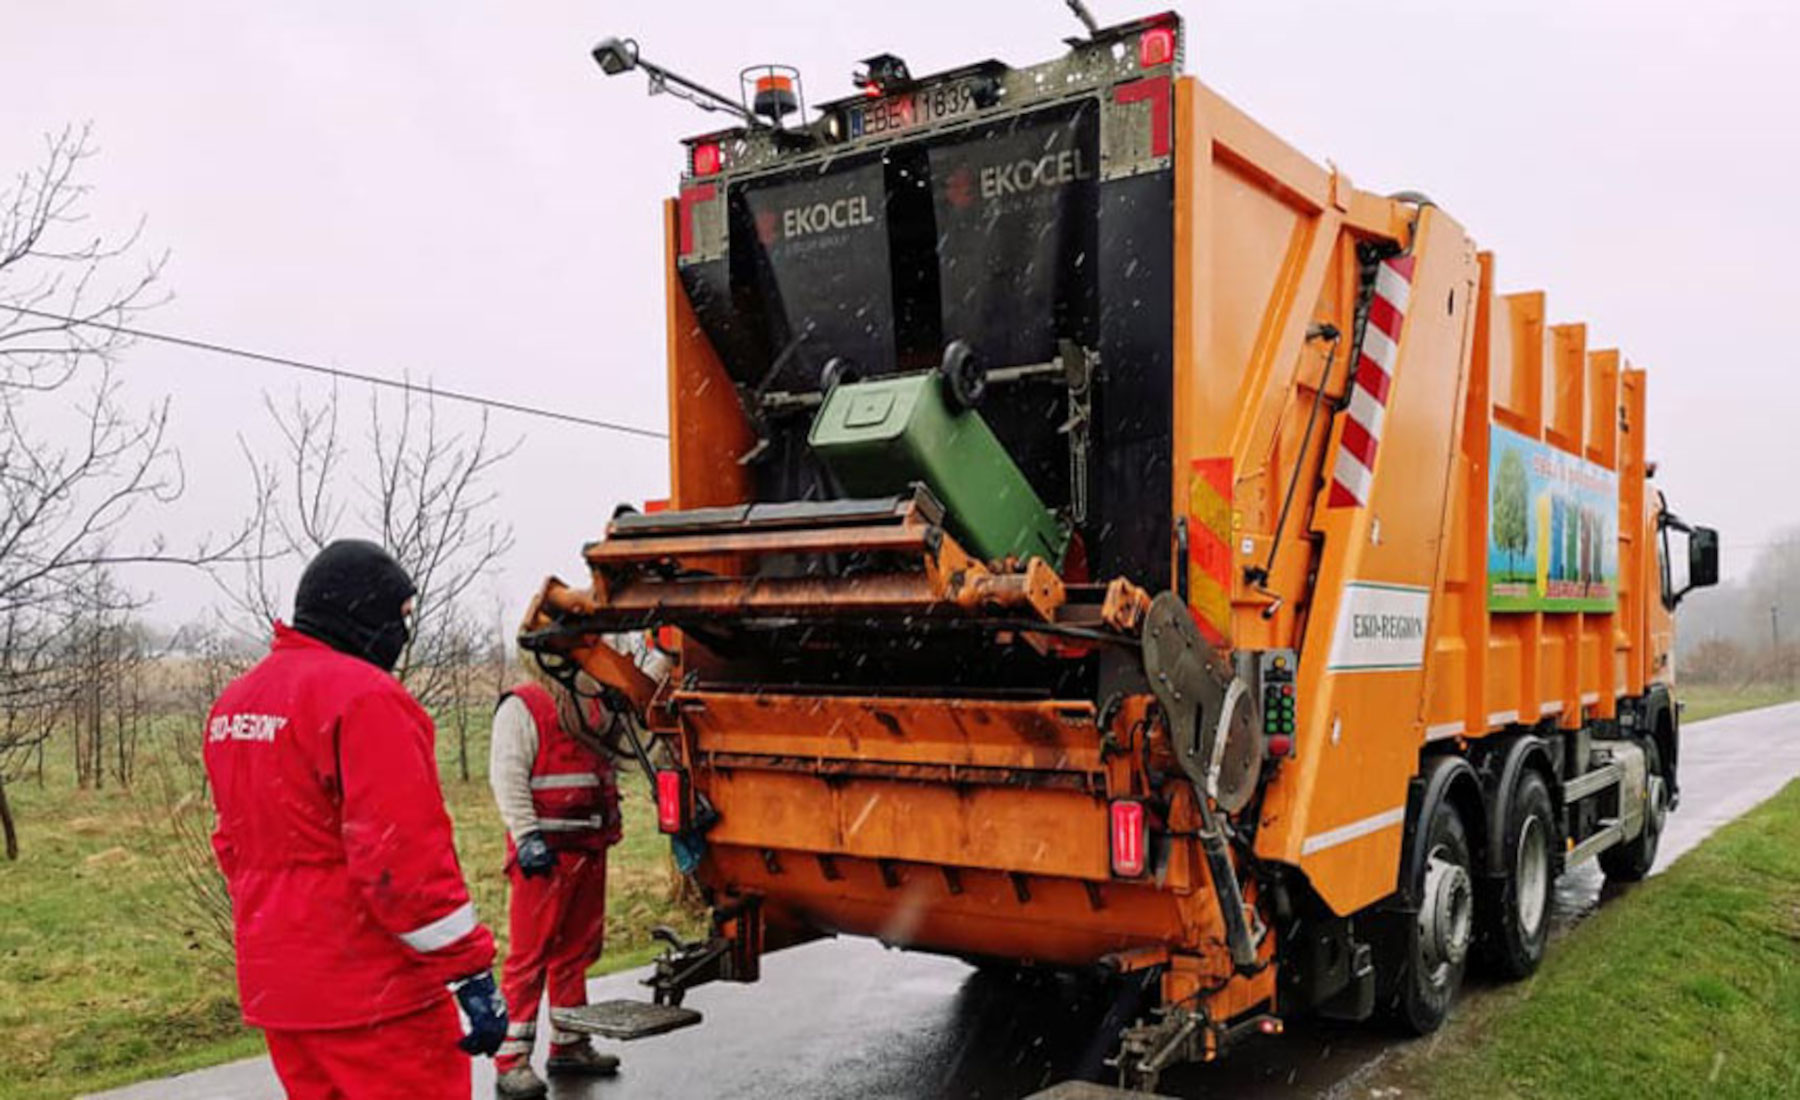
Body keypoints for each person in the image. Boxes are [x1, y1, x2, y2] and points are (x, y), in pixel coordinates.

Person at [205, 539, 507, 1099]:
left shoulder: (236, 704)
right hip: (374, 995)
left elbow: (232, 847)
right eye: (400, 617)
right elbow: (403, 863)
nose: (403, 634)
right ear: (362, 613)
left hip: (283, 990)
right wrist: (470, 970)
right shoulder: (366, 698)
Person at [488, 656, 626, 1099]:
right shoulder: (524, 707)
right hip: (544, 854)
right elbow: (507, 774)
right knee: (530, 959)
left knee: (575, 951)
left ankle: (569, 1043)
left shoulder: (595, 707)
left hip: (586, 847)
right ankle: (511, 1062)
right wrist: (526, 835)